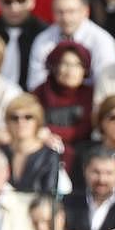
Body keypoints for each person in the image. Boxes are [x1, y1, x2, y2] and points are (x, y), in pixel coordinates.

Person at [26, 0, 115, 90]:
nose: (66, 18)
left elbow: (105, 84)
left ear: (85, 12)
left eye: (71, 11)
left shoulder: (102, 41)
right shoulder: (43, 39)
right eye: (60, 12)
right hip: (52, 102)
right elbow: (36, 84)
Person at [33, 41, 93, 176]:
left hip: (81, 151)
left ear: (85, 69)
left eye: (77, 65)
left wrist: (49, 132)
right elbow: (33, 124)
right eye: (65, 64)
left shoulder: (90, 94)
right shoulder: (39, 92)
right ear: (54, 66)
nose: (70, 71)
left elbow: (85, 129)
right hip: (44, 148)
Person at [1, 93, 63, 193]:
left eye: (28, 117)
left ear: (37, 121)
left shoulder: (49, 155)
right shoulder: (0, 152)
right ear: (8, 122)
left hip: (37, 207)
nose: (21, 122)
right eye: (14, 117)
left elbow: (48, 196)